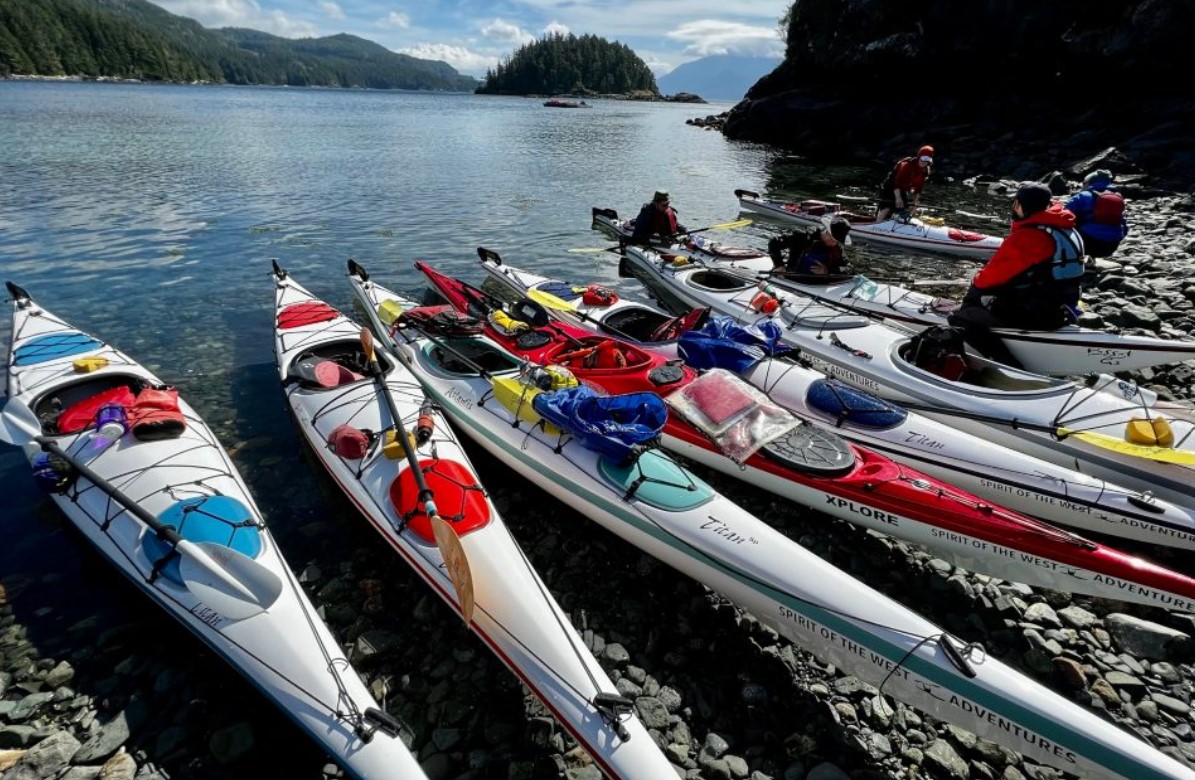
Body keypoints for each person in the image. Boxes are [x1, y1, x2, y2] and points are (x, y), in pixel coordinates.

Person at [946, 183, 1085, 368]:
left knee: (959, 316)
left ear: (1020, 205)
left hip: (1039, 315)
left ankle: (1010, 366)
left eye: (1015, 203)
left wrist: (973, 290)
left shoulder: (1030, 236)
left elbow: (987, 280)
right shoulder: (1066, 228)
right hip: (1065, 309)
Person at [1064, 169, 1129, 259]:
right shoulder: (1118, 197)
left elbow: (1064, 215)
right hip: (1112, 245)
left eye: (1084, 183)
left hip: (1088, 244)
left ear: (1088, 182)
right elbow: (1124, 225)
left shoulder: (1082, 196)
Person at [767, 218, 852, 277]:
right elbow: (773, 242)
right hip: (792, 277)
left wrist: (827, 270)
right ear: (826, 231)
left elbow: (848, 268)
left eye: (835, 241)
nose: (832, 242)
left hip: (816, 285)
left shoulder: (837, 248)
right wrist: (779, 264)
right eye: (830, 237)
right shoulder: (804, 236)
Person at [875, 145, 934, 222]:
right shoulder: (907, 165)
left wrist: (915, 202)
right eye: (923, 159)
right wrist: (898, 198)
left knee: (905, 206)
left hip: (902, 189)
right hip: (891, 186)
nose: (924, 162)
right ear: (919, 157)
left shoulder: (924, 171)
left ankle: (896, 222)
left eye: (927, 160)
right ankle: (876, 224)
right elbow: (897, 182)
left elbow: (919, 188)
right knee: (888, 206)